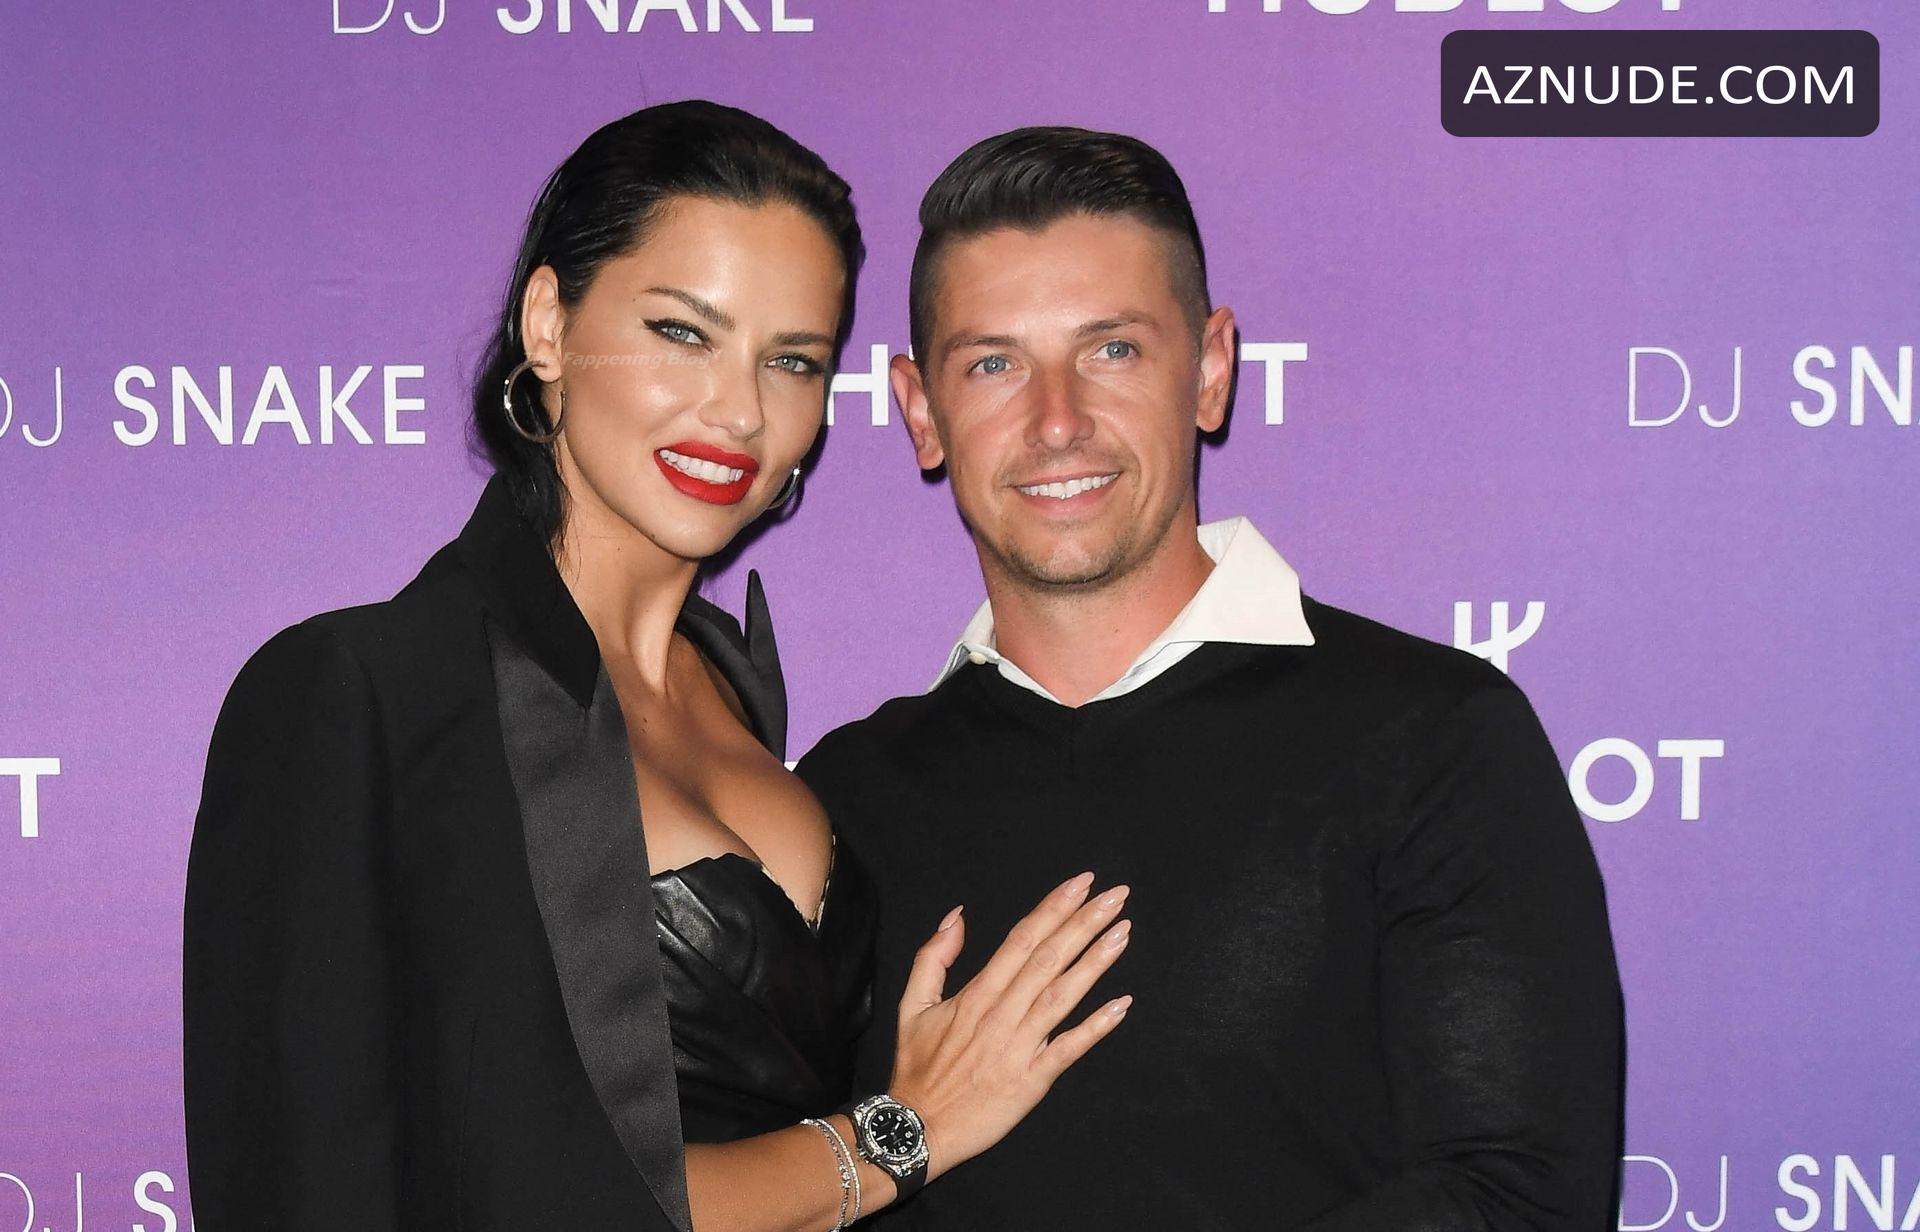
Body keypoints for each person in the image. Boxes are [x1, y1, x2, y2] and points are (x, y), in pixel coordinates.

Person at [182, 101, 1134, 1232]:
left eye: (792, 360)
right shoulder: (360, 697)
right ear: (549, 323)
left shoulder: (742, 701)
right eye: (684, 332)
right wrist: (900, 1132)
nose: (739, 411)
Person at [794, 127, 1625, 1230]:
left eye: (1112, 350)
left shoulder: (1435, 737)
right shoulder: (844, 795)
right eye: (994, 363)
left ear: (1213, 368)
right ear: (919, 410)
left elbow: (1521, 1195)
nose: (1056, 421)